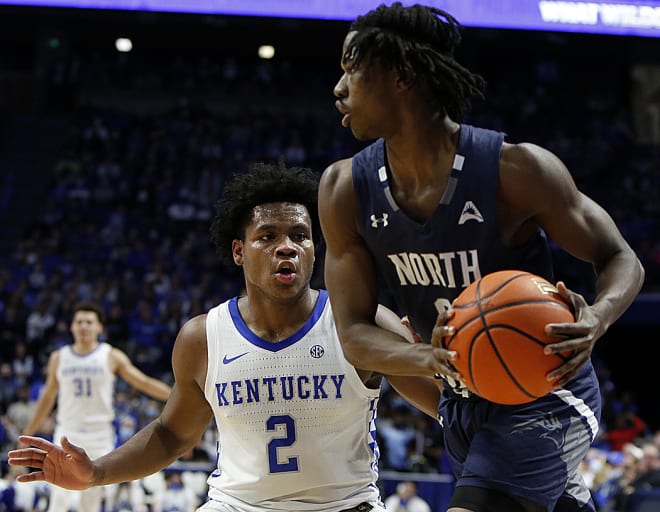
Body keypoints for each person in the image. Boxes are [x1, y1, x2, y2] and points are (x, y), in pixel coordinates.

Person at [317, 3, 645, 512]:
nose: (339, 87)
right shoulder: (343, 189)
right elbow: (353, 334)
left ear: (400, 76)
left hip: (546, 393)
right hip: (462, 404)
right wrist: (427, 357)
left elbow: (620, 257)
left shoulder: (515, 170)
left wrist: (597, 319)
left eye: (352, 68)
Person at [9, 163, 440, 512]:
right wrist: (96, 473)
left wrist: (446, 362)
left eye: (300, 236)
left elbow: (446, 405)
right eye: (268, 237)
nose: (286, 247)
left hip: (343, 507)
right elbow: (172, 435)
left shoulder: (358, 321)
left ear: (314, 248)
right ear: (239, 251)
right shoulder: (203, 337)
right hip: (237, 506)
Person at [20, 300, 172, 512]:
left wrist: (177, 395)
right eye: (79, 322)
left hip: (100, 436)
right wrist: (29, 431)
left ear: (99, 327)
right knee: (58, 498)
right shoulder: (59, 357)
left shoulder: (110, 355)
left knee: (91, 501)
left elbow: (143, 382)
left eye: (89, 322)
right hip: (67, 433)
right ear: (72, 326)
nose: (84, 326)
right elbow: (47, 398)